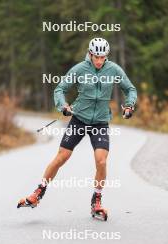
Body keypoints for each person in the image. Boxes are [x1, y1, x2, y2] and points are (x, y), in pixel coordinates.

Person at [17, 37, 137, 220]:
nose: (98, 60)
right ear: (90, 54)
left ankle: (96, 199)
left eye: (102, 57)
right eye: (95, 56)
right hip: (79, 119)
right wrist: (63, 106)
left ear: (106, 56)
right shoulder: (80, 69)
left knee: (102, 161)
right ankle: (37, 194)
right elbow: (60, 89)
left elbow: (130, 89)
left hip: (100, 122)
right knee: (61, 157)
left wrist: (129, 105)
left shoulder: (114, 70)